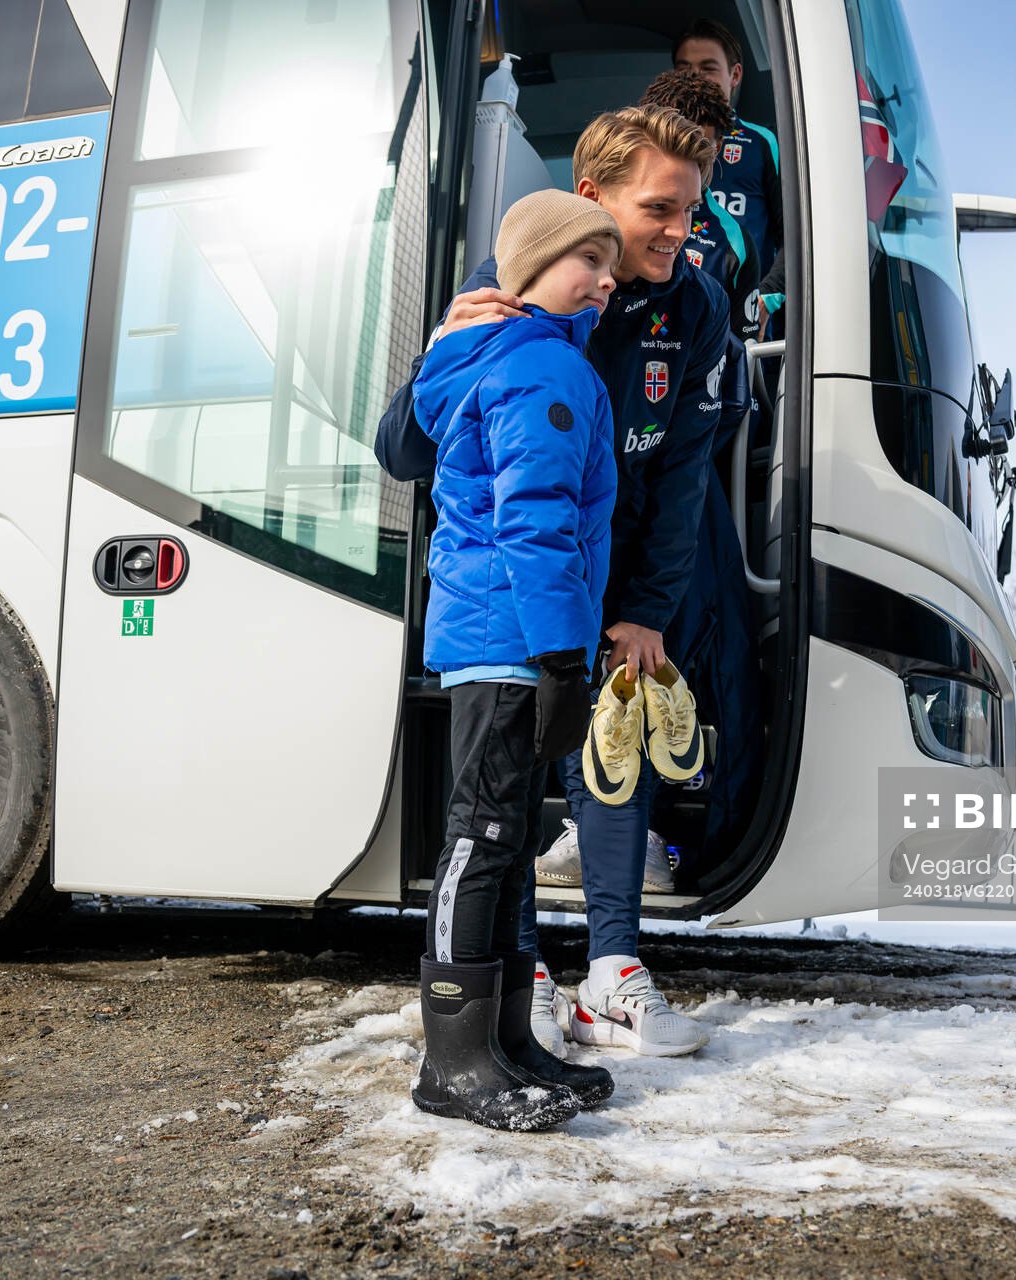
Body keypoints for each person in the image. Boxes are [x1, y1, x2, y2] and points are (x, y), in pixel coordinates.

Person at [376, 106, 729, 1059]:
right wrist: (441, 349)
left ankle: (614, 974)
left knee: (611, 750)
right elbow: (402, 449)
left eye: (689, 213)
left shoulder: (694, 308)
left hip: (615, 563)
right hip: (525, 577)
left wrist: (647, 612)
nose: (676, 233)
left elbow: (685, 473)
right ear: (588, 200)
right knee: (514, 776)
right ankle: (520, 979)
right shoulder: (508, 288)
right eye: (659, 209)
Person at [408, 190, 624, 1132]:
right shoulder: (539, 368)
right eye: (589, 260)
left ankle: (502, 1045)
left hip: (507, 635)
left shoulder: (512, 359)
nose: (608, 280)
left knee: (505, 844)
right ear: (530, 269)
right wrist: (563, 657)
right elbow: (535, 520)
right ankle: (453, 1062)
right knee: (482, 840)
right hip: (514, 639)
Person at [673, 18, 784, 311]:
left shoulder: (762, 143)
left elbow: (796, 236)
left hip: (741, 307)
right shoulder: (652, 144)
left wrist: (766, 298)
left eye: (708, 68)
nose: (695, 78)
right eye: (685, 68)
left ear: (735, 75)